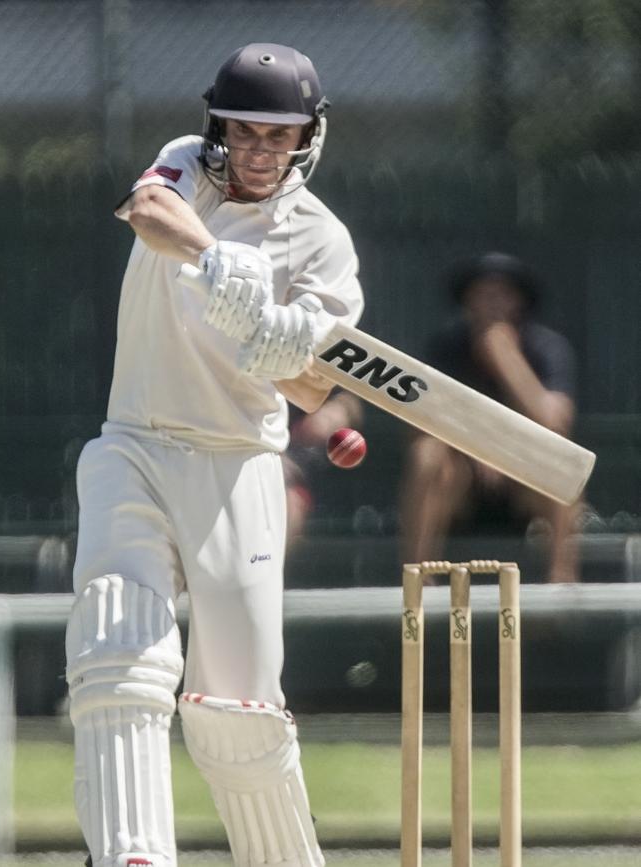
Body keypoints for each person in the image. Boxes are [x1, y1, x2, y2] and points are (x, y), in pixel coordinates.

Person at [65, 43, 363, 867]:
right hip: (137, 442)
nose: (262, 150)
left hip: (239, 466)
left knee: (239, 709)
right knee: (116, 652)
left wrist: (274, 335)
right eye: (248, 131)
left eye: (282, 135)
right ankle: (131, 855)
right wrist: (216, 259)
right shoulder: (187, 168)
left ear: (309, 137)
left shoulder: (322, 243)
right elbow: (149, 212)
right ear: (219, 127)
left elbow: (309, 388)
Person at [399, 252, 580, 583]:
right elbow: (418, 423)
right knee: (427, 453)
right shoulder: (446, 347)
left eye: (502, 294)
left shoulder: (547, 348)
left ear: (519, 302)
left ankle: (561, 583)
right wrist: (479, 449)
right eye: (482, 294)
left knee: (562, 462)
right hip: (461, 480)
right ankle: (418, 579)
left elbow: (555, 423)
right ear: (467, 301)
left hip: (523, 483)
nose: (492, 303)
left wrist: (505, 357)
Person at [283, 390, 363, 543]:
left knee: (290, 505)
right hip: (246, 454)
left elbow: (352, 400)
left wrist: (338, 410)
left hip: (293, 479)